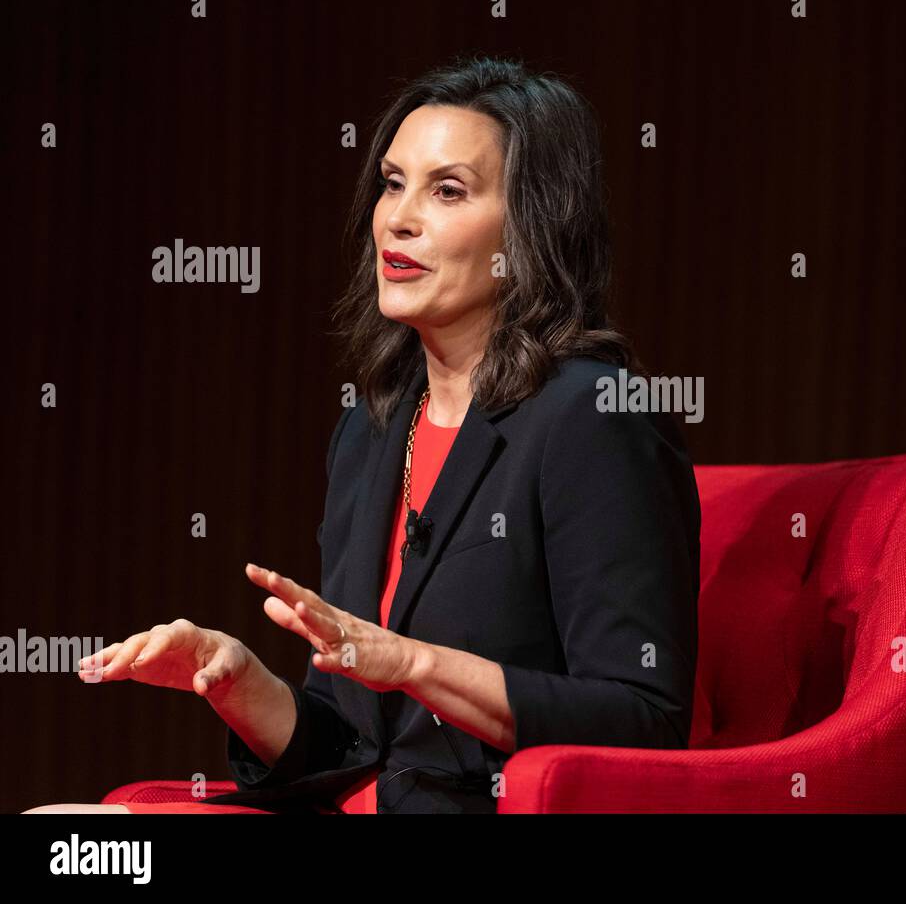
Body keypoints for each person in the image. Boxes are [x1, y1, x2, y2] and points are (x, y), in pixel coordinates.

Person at [23, 55, 701, 814]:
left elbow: (643, 720)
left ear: (533, 226)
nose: (398, 218)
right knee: (63, 835)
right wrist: (241, 679)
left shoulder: (593, 415)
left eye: (447, 190)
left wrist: (413, 662)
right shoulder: (374, 424)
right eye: (391, 181)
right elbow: (352, 742)